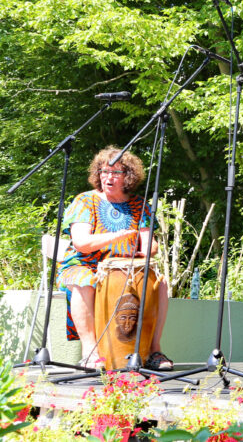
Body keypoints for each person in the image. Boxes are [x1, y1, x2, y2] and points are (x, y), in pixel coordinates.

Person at [56, 147, 172, 370]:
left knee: (162, 283)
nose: (108, 177)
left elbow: (151, 243)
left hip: (125, 269)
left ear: (128, 176)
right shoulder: (85, 201)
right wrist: (116, 237)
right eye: (104, 171)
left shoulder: (139, 205)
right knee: (83, 280)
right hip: (85, 264)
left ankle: (154, 351)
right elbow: (81, 242)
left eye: (115, 173)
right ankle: (90, 353)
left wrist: (143, 251)